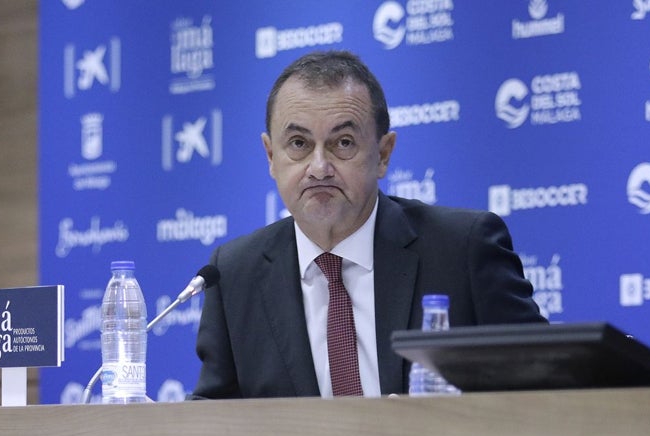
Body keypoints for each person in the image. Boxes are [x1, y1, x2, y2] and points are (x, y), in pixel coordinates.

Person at [192, 50, 545, 399]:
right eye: (298, 144)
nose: (319, 167)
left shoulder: (462, 249)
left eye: (343, 143)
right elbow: (212, 419)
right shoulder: (235, 273)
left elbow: (547, 384)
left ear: (384, 154)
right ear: (271, 156)